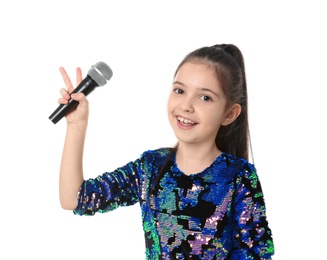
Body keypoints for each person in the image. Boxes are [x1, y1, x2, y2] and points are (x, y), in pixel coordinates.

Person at [56, 44, 274, 259]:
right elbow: (74, 199)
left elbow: (257, 254)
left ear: (230, 113)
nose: (186, 106)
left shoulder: (238, 177)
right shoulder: (150, 167)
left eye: (205, 97)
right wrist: (76, 125)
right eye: (180, 90)